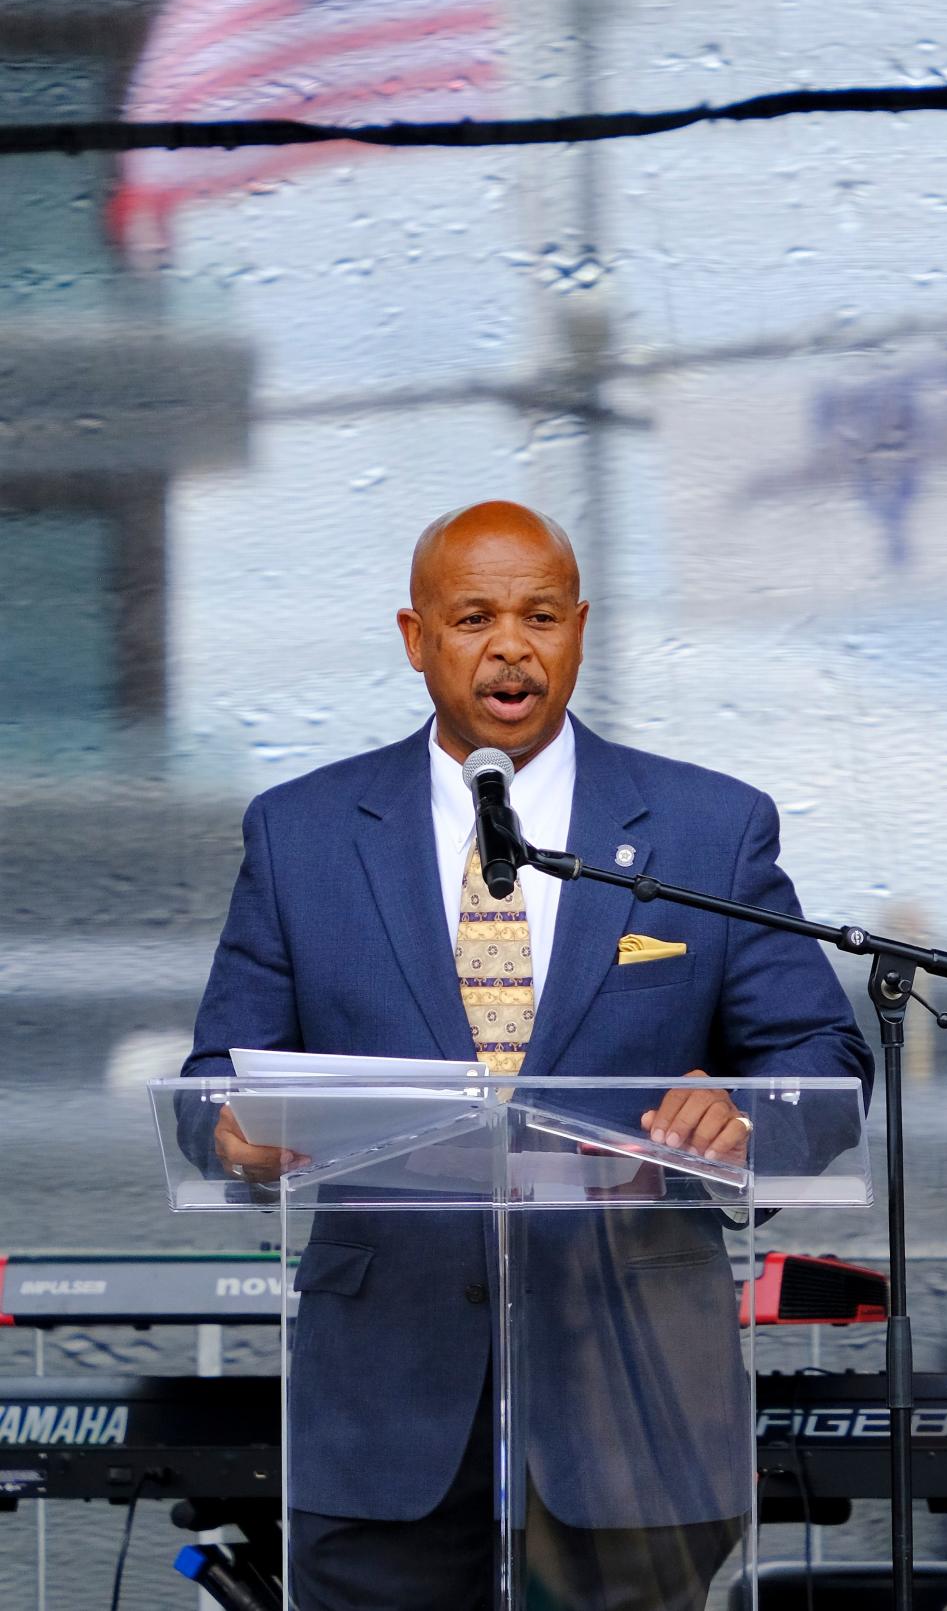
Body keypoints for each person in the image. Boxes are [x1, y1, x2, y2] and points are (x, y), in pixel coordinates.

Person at [183, 500, 873, 1611]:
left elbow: (820, 1058)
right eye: (475, 618)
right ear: (417, 639)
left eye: (541, 615)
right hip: (386, 1406)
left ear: (581, 631)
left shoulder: (707, 829)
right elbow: (214, 1078)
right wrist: (226, 1132)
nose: (512, 645)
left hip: (634, 1402)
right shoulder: (300, 832)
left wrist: (746, 1117)